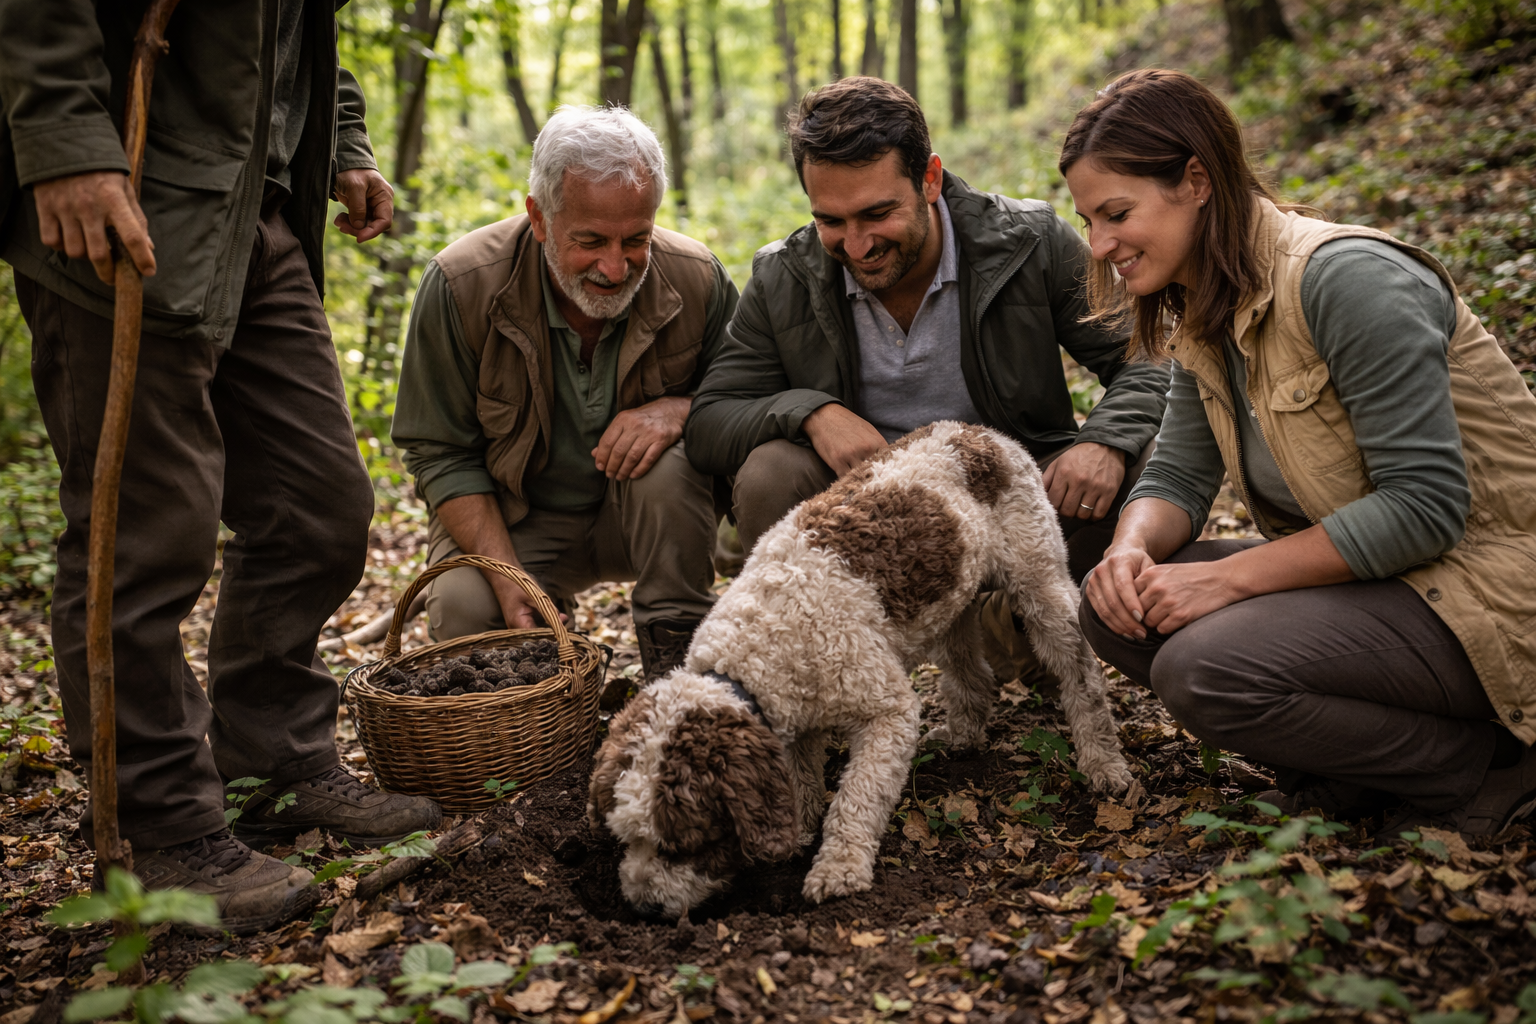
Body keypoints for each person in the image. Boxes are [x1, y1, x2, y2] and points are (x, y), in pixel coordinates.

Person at [0, 1, 441, 931]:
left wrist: (344, 141)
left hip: (257, 210)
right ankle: (160, 830)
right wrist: (64, 140)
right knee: (145, 532)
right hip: (124, 187)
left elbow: (295, 33)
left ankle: (274, 757)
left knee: (320, 505)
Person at [1063, 68, 1536, 837]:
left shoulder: (1349, 280)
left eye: (1116, 213)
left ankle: (1485, 766)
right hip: (1391, 588)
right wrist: (1128, 550)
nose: (1100, 244)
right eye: (1088, 220)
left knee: (1203, 666)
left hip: (1487, 593)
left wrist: (1230, 581)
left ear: (1196, 180)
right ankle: (1350, 772)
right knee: (1116, 609)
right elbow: (1181, 472)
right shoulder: (1208, 302)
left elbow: (1424, 508)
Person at [685, 76, 1168, 682]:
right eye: (831, 220)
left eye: (877, 213)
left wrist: (1104, 440)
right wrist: (813, 411)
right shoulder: (784, 278)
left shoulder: (1029, 242)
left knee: (1149, 452)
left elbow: (1150, 355)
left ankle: (1032, 626)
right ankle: (830, 674)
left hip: (1017, 501)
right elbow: (709, 421)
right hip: (876, 525)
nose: (857, 245)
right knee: (770, 471)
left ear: (929, 179)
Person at [392, 107, 738, 685]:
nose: (614, 265)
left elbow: (747, 398)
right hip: (517, 517)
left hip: (648, 520)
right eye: (590, 241)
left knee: (671, 462)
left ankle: (678, 677)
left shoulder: (697, 278)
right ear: (539, 218)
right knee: (465, 607)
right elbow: (438, 451)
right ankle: (546, 710)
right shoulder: (461, 284)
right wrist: (509, 577)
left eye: (636, 240)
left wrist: (681, 409)